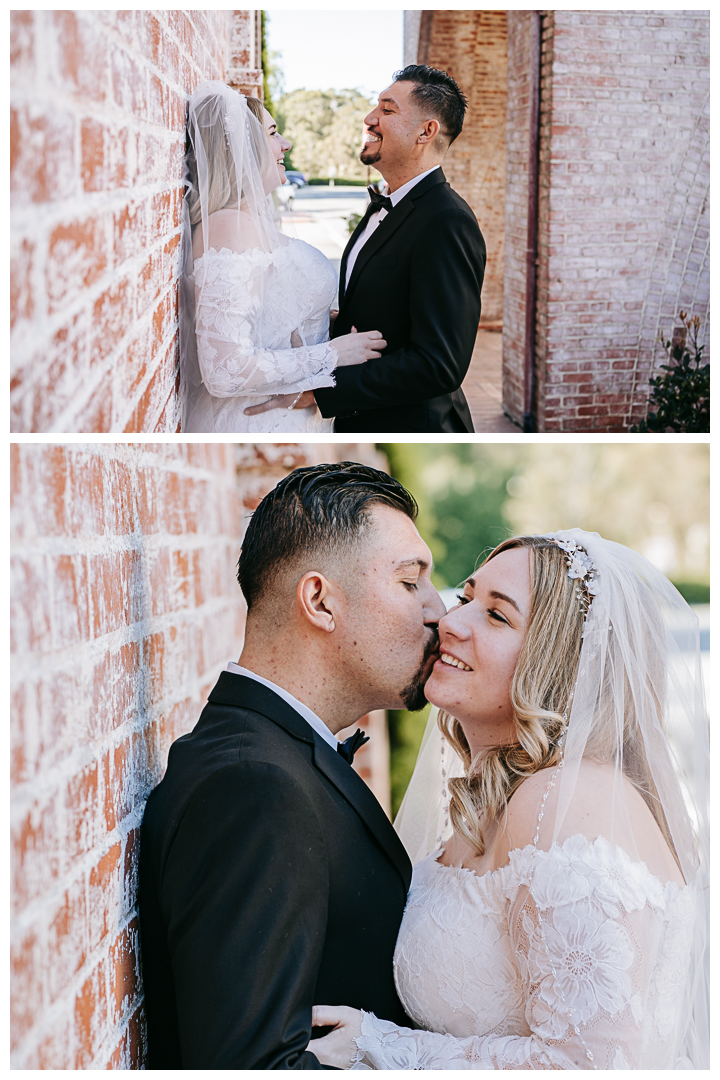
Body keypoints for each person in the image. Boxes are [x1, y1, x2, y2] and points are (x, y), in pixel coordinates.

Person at [311, 531, 709, 1069]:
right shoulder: (504, 802)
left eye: (497, 616)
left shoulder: (565, 801)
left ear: (560, 665)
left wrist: (381, 1046)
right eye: (466, 598)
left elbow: (592, 1063)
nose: (451, 622)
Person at [138, 462, 447, 1067]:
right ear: (320, 600)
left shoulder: (269, 756)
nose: (438, 611)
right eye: (411, 583)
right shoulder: (254, 786)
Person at [179, 82, 385, 432]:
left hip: (294, 414)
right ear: (241, 149)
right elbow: (225, 370)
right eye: (273, 133)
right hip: (258, 419)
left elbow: (267, 316)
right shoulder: (230, 227)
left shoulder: (247, 222)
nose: (285, 144)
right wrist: (334, 353)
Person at [315, 65, 486, 433]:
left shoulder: (446, 220)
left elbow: (439, 364)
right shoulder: (386, 204)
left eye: (387, 110)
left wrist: (323, 389)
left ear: (426, 132)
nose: (369, 118)